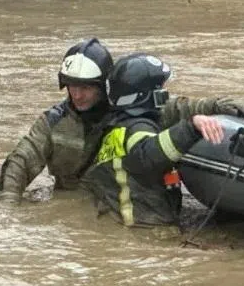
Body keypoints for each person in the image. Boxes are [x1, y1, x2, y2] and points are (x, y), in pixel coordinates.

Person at [0, 37, 244, 203]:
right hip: (76, 204)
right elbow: (20, 162)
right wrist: (7, 206)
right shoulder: (52, 122)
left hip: (119, 206)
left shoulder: (133, 110)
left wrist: (221, 106)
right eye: (71, 86)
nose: (77, 94)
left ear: (103, 86)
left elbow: (182, 108)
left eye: (85, 87)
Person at [80, 53, 225, 226]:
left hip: (122, 223)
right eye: (161, 89)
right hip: (145, 229)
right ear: (149, 94)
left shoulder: (116, 127)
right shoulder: (138, 129)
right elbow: (148, 155)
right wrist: (191, 128)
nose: (165, 94)